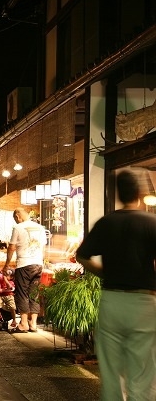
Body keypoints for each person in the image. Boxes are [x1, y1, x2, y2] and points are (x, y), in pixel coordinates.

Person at [76, 169, 156, 401]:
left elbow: (82, 256)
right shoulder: (152, 223)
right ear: (139, 193)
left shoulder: (106, 222)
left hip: (112, 299)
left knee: (111, 370)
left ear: (118, 193)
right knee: (142, 370)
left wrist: (105, 272)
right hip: (143, 301)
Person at [3, 208, 46, 333]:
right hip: (38, 265)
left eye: (15, 219)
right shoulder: (40, 228)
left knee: (22, 293)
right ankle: (33, 324)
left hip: (24, 264)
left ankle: (23, 324)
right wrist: (41, 262)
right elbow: (43, 248)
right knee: (34, 293)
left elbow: (11, 247)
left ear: (17, 216)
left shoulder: (18, 227)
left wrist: (6, 265)